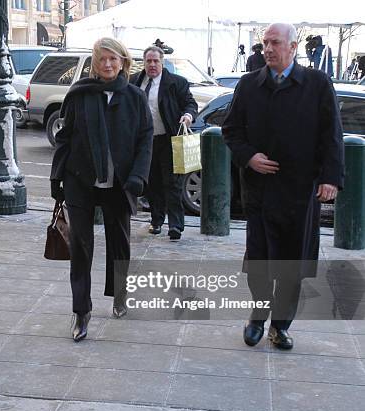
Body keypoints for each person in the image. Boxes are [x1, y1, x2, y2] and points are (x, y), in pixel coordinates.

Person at [222, 23, 344, 350]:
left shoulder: (316, 83)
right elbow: (231, 131)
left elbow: (331, 134)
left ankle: (280, 325)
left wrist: (331, 178)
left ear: (293, 47)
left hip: (300, 193)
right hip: (260, 191)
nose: (268, 49)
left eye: (275, 43)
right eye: (265, 43)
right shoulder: (249, 85)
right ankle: (257, 318)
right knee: (259, 263)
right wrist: (249, 157)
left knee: (292, 265)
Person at [50, 37, 153, 341]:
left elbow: (145, 140)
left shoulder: (134, 97)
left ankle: (119, 294)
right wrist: (57, 178)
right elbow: (64, 138)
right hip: (80, 179)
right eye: (101, 59)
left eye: (112, 59)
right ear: (94, 63)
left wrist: (138, 177)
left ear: (123, 62)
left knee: (119, 243)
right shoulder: (80, 94)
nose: (107, 65)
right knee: (81, 247)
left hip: (119, 183)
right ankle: (81, 312)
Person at [132, 46, 197, 240]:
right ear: (143, 63)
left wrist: (187, 115)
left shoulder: (176, 83)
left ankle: (176, 225)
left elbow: (190, 103)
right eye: (148, 61)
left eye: (156, 61)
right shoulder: (135, 81)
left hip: (169, 139)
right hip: (145, 142)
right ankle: (156, 221)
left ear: (162, 62)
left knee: (173, 184)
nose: (152, 65)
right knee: (152, 184)